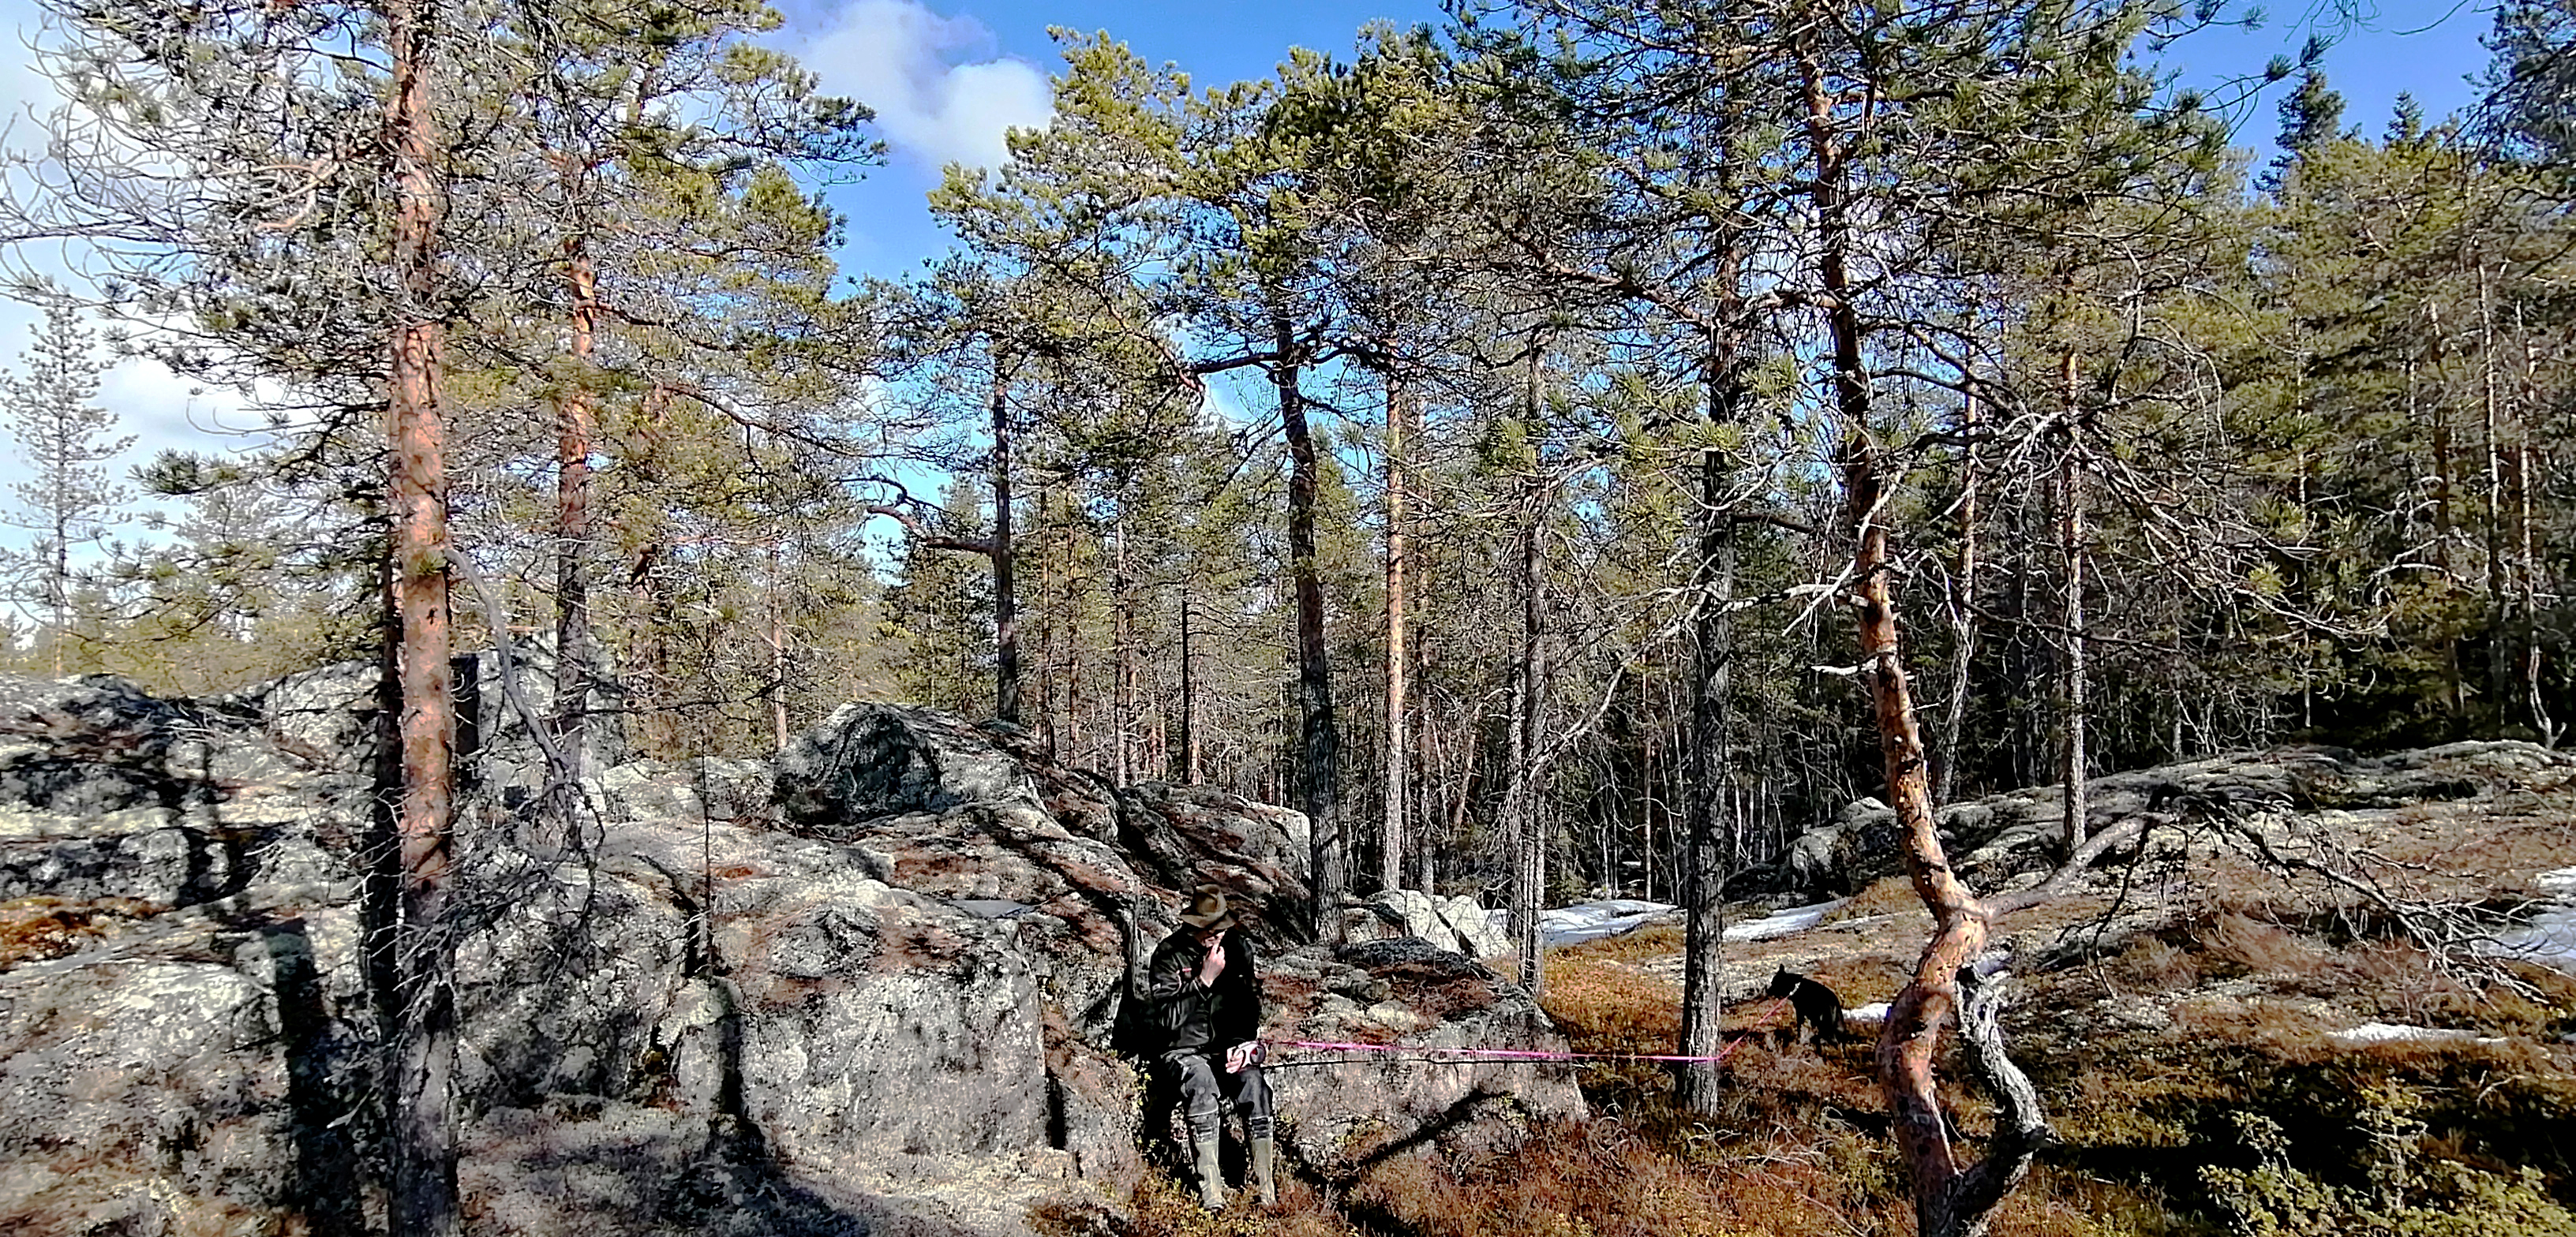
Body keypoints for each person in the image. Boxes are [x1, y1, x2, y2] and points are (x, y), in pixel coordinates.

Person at [1136, 884, 1275, 1209]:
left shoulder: (1239, 949)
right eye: (1211, 931)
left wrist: (1243, 1045)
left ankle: (1264, 1187)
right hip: (1182, 1051)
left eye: (1222, 929)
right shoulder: (1168, 955)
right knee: (1202, 1086)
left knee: (1255, 1086)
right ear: (1195, 926)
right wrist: (1204, 980)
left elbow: (1248, 1006)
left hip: (1226, 1050)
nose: (1217, 937)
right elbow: (1167, 1020)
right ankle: (1212, 1192)